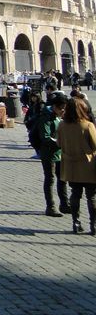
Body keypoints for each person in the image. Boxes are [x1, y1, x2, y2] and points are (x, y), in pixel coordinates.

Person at [58, 96, 96, 235]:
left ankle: (76, 222)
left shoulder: (62, 125)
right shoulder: (87, 125)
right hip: (88, 166)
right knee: (91, 196)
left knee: (75, 194)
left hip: (71, 166)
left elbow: (59, 143)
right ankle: (93, 225)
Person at [32, 92, 70, 216]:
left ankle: (64, 204)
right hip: (48, 153)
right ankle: (50, 206)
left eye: (64, 108)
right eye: (61, 108)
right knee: (50, 179)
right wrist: (60, 143)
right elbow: (45, 137)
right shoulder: (45, 117)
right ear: (54, 106)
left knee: (62, 178)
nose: (63, 111)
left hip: (60, 152)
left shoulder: (59, 117)